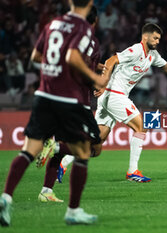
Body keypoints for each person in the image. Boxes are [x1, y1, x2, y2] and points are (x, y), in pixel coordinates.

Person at [0, 0, 108, 227]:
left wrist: (57, 67)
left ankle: (6, 198)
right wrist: (96, 78)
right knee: (85, 151)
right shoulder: (84, 30)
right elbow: (73, 58)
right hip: (70, 99)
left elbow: (35, 57)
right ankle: (73, 211)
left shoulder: (54, 24)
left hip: (44, 95)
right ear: (90, 6)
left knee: (28, 150)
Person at [94, 23, 167, 182]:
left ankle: (59, 152)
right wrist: (103, 82)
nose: (157, 41)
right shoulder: (136, 50)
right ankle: (132, 171)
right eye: (155, 38)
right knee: (143, 125)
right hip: (114, 93)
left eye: (159, 39)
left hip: (113, 96)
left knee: (96, 143)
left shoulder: (153, 55)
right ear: (146, 36)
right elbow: (110, 61)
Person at [36, 5, 103, 203]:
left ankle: (46, 191)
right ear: (95, 21)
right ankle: (54, 147)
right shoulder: (91, 40)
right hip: (77, 99)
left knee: (68, 141)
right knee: (93, 147)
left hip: (56, 95)